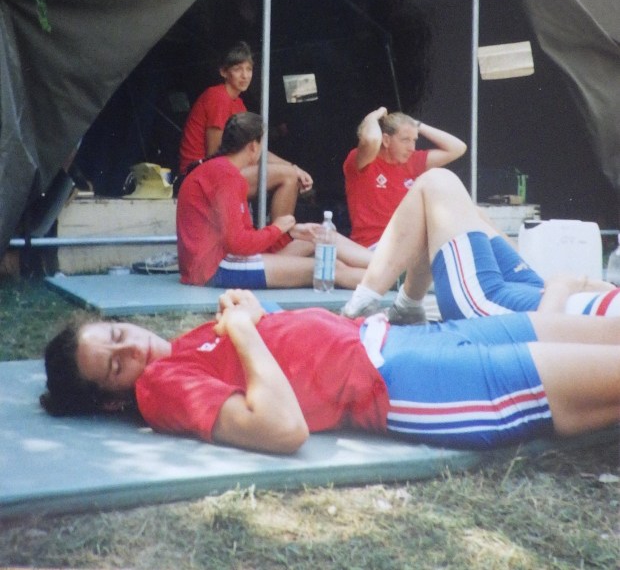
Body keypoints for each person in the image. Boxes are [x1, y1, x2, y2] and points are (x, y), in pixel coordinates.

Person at [40, 288, 620, 454]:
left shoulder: (186, 346)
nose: (135, 354)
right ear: (114, 399)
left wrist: (254, 323)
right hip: (408, 384)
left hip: (409, 339)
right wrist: (243, 330)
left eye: (120, 338)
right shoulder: (161, 389)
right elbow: (280, 428)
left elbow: (269, 363)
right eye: (116, 368)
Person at [342, 167, 620, 323]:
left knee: (437, 182)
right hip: (539, 292)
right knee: (472, 214)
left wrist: (566, 286)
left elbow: (546, 333)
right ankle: (407, 308)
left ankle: (362, 304)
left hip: (510, 308)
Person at [177, 111, 372, 288]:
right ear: (254, 146)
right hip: (215, 268)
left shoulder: (221, 170)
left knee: (321, 236)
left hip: (215, 263)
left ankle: (387, 268)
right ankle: (389, 279)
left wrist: (291, 231)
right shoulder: (227, 176)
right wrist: (277, 228)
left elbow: (239, 237)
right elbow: (237, 243)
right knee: (329, 268)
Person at [178, 41, 313, 219]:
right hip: (201, 177)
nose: (245, 76)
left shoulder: (239, 104)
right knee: (288, 176)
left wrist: (294, 167)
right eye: (237, 69)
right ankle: (278, 239)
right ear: (224, 72)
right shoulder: (217, 97)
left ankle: (277, 237)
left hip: (222, 172)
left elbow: (255, 150)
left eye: (249, 69)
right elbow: (215, 155)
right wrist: (285, 170)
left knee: (291, 173)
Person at [343, 107, 467, 248]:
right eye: (405, 140)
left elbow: (458, 148)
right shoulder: (362, 161)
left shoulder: (412, 161)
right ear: (386, 140)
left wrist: (416, 125)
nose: (412, 148)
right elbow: (371, 139)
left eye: (414, 140)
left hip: (407, 245)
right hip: (374, 246)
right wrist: (373, 117)